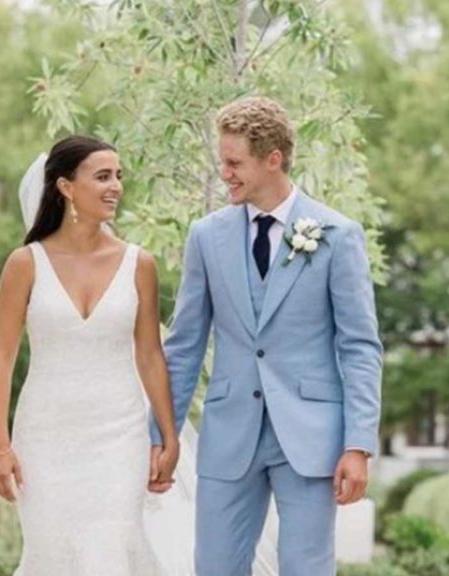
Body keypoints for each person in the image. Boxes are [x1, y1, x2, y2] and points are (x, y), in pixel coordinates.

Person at [150, 96, 384, 575]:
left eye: (234, 163)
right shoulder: (206, 237)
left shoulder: (338, 235)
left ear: (273, 158)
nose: (225, 173)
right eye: (223, 162)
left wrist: (357, 445)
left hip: (310, 438)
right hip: (228, 433)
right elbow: (185, 346)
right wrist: (165, 436)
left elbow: (360, 348)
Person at [0, 135, 179, 575]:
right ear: (66, 186)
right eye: (103, 176)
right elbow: (1, 358)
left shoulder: (139, 264)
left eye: (119, 176)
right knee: (51, 555)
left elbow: (149, 355)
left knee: (111, 550)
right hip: (44, 437)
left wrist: (168, 436)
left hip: (120, 436)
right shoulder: (25, 263)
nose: (115, 187)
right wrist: (0, 447)